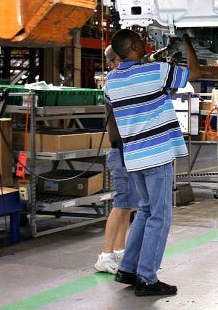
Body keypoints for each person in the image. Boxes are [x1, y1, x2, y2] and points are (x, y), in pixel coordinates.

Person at [105, 30, 201, 297]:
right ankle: (147, 277)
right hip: (156, 156)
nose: (145, 41)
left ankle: (128, 268)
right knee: (159, 216)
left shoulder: (111, 81)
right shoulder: (157, 71)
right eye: (141, 39)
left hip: (133, 157)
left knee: (146, 211)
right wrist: (187, 42)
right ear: (135, 46)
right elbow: (195, 72)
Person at [94, 46, 139, 274]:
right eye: (125, 60)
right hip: (120, 153)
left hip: (127, 152)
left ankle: (120, 251)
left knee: (128, 205)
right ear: (113, 63)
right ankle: (105, 255)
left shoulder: (119, 80)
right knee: (121, 205)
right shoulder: (113, 81)